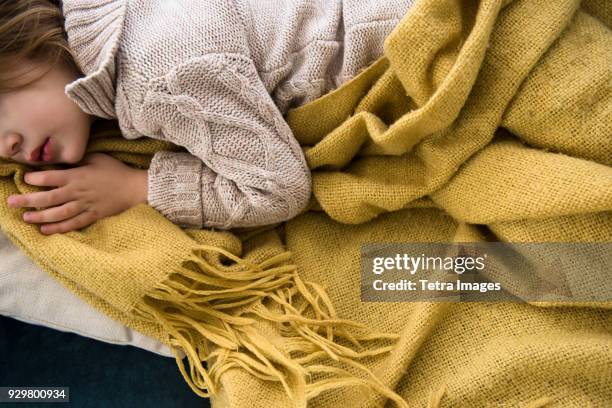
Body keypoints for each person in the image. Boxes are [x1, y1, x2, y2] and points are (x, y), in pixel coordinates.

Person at [0, 0, 415, 234]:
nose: (7, 147)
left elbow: (279, 189)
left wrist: (136, 187)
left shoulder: (157, 76)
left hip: (401, 35)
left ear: (20, 40)